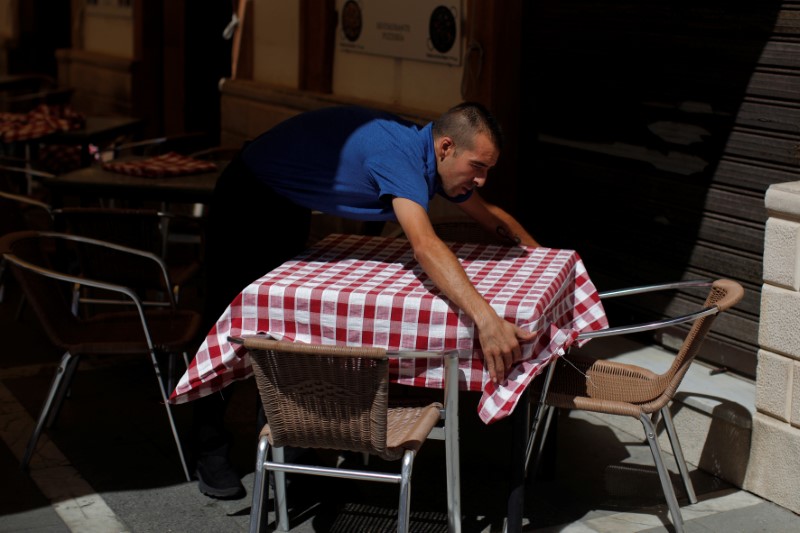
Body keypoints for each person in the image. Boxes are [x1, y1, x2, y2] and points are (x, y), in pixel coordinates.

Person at [192, 102, 541, 499]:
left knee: (280, 325)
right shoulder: (401, 159)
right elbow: (425, 245)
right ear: (446, 148)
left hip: (287, 203)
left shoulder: (438, 161)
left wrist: (544, 258)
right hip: (247, 193)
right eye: (478, 167)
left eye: (487, 170)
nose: (481, 180)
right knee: (225, 323)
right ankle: (209, 448)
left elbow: (489, 215)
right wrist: (486, 319)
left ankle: (286, 451)